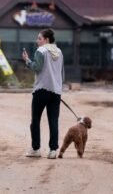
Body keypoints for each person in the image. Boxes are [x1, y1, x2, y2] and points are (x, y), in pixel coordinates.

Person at [22, 28, 64, 159]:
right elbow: (61, 72)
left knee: (35, 120)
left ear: (46, 40)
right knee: (53, 121)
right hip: (56, 91)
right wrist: (59, 87)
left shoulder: (41, 51)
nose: (37, 40)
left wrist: (27, 60)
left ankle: (36, 149)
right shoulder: (59, 51)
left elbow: (37, 67)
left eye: (39, 38)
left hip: (41, 90)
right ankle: (53, 150)